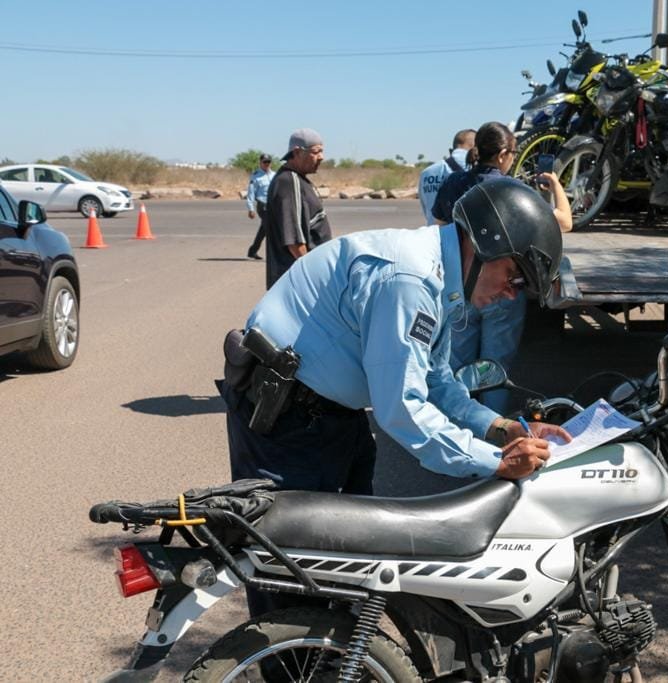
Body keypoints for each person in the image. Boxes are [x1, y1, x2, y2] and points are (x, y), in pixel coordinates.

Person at [220, 181, 571, 617]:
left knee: (345, 565)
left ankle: (332, 659)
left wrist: (502, 429)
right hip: (287, 421)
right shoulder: (410, 280)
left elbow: (436, 379)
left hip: (332, 415)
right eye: (514, 276)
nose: (512, 292)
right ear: (483, 246)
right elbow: (402, 407)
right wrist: (494, 462)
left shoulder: (442, 278)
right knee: (289, 573)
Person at [431, 122, 572, 413]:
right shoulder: (513, 191)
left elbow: (441, 231)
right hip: (502, 290)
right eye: (513, 154)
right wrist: (555, 184)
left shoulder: (452, 184)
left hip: (459, 288)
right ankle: (492, 431)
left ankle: (456, 427)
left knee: (457, 364)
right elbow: (564, 223)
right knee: (494, 368)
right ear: (503, 154)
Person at [261, 128, 332, 289]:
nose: (321, 157)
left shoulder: (297, 179)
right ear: (298, 152)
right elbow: (293, 239)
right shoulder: (289, 181)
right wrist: (312, 277)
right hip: (297, 281)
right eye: (316, 152)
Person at [418, 129, 476, 222]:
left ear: (450, 151)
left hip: (433, 233)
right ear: (476, 150)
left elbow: (426, 210)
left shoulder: (426, 173)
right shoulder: (474, 170)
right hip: (460, 235)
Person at [244, 153, 275, 260]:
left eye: (268, 162)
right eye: (264, 162)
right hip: (263, 206)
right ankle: (273, 255)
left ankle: (252, 251)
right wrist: (251, 209)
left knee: (264, 230)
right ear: (260, 163)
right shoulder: (256, 176)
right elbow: (251, 193)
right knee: (271, 229)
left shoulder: (274, 175)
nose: (267, 164)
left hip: (273, 205)